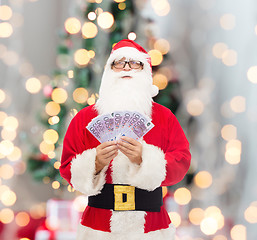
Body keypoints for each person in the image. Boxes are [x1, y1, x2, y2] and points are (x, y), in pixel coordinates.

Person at [60, 39, 191, 240]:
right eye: (119, 63)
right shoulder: (84, 119)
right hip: (98, 227)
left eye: (134, 63)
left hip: (151, 227)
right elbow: (67, 166)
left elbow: (181, 162)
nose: (126, 68)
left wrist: (145, 159)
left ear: (145, 71)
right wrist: (95, 163)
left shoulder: (164, 118)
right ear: (109, 71)